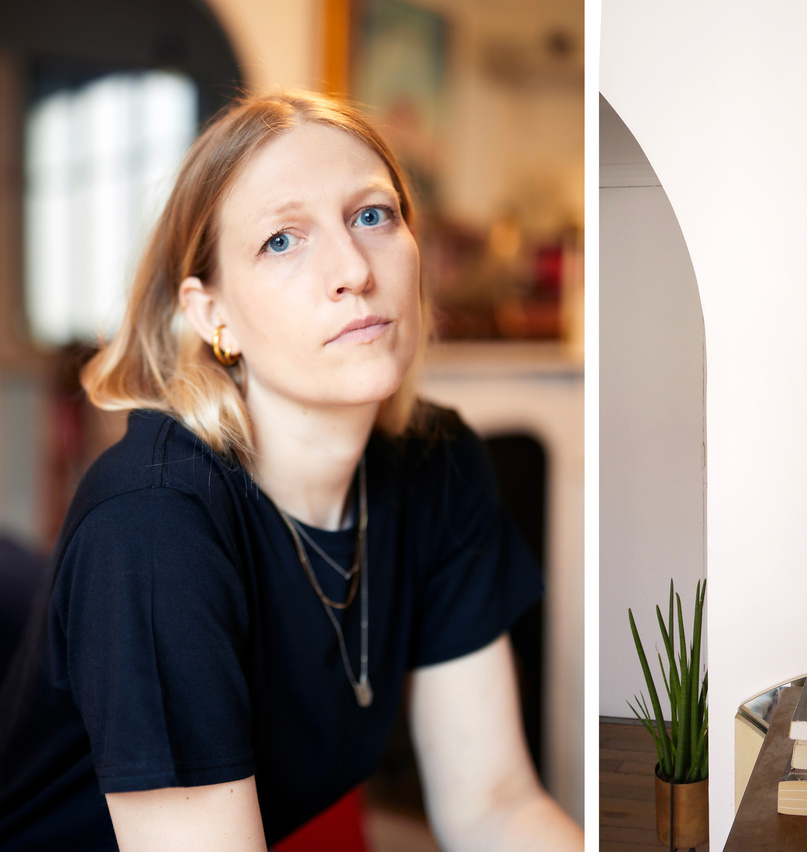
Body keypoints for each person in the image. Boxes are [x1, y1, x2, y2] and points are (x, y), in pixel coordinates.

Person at [0, 90, 582, 851]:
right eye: (282, 240)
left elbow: (494, 804)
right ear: (212, 315)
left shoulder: (439, 466)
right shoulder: (152, 527)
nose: (353, 270)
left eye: (372, 215)